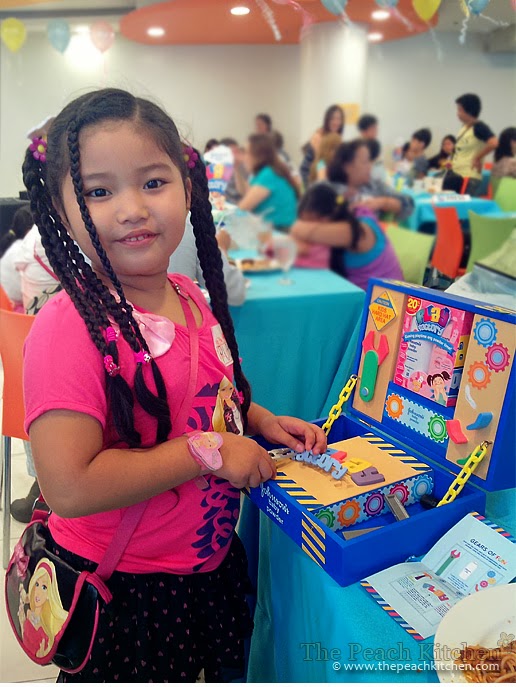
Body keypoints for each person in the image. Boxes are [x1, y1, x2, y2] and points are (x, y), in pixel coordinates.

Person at [21, 87, 326, 682]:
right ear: (59, 208)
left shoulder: (188, 296)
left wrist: (259, 420)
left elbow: (210, 393)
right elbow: (69, 487)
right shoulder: (70, 326)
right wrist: (209, 452)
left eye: (153, 182)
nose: (132, 208)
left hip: (206, 570)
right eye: (98, 192)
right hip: (131, 596)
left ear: (189, 188)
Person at [290, 183, 403, 291]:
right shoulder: (347, 219)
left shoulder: (356, 231)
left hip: (387, 301)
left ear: (332, 213)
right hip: (364, 295)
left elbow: (298, 230)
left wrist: (298, 230)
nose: (309, 226)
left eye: (313, 222)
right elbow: (302, 247)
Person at [328, 139, 414, 223]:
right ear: (347, 166)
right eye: (365, 162)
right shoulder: (329, 189)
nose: (370, 166)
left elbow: (408, 204)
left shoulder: (375, 186)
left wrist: (382, 203)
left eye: (370, 161)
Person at [168, 215, 247, 306]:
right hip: (179, 311)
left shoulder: (191, 225)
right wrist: (221, 248)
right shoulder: (191, 225)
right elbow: (233, 293)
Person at [235, 133, 299, 232]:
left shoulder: (269, 175)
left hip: (280, 231)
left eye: (246, 152)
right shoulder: (266, 171)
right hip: (275, 228)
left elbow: (242, 208)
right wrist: (236, 167)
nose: (244, 157)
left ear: (258, 155)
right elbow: (245, 193)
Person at [443, 93, 498, 195]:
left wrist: (477, 158)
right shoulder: (464, 127)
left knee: (462, 204)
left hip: (469, 177)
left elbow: (494, 143)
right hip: (457, 175)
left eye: (460, 110)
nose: (457, 113)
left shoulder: (479, 127)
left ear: (469, 111)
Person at [18, 559, 68, 659]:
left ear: (49, 594)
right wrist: (22, 623)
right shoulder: (28, 613)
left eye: (44, 587)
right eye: (37, 584)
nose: (38, 592)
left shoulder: (46, 628)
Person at [300, 105, 345, 190]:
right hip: (313, 178)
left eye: (339, 119)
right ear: (327, 120)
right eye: (332, 119)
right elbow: (320, 161)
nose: (336, 122)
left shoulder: (338, 139)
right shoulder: (318, 137)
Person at [0, 205, 33, 311]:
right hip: (21, 312)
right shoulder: (26, 250)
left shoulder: (13, 247)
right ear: (30, 231)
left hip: (7, 311)